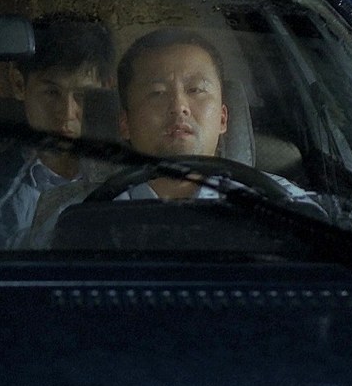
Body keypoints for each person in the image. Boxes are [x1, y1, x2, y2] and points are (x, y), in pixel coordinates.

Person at [27, 27, 322, 248]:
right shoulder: (71, 217)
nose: (179, 106)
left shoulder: (285, 204)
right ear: (125, 124)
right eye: (157, 93)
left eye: (195, 90)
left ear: (223, 119)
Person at [0, 17, 116, 250]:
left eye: (82, 95)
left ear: (106, 88)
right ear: (18, 84)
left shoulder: (129, 185)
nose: (66, 113)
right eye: (51, 93)